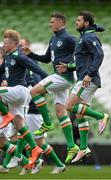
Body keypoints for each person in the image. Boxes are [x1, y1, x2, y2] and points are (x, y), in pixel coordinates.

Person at [22, 12, 79, 163]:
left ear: (61, 23)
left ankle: (47, 123)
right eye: (50, 21)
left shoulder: (68, 38)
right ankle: (72, 146)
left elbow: (81, 54)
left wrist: (70, 67)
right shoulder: (53, 39)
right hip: (59, 78)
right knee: (61, 112)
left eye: (53, 22)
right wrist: (31, 54)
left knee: (33, 91)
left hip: (63, 77)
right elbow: (47, 59)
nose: (50, 24)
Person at [56, 11, 109, 163]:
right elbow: (82, 60)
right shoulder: (85, 36)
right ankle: (84, 147)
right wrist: (69, 67)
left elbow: (99, 55)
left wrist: (90, 74)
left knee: (69, 106)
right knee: (80, 115)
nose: (76, 22)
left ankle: (101, 116)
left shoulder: (89, 37)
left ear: (86, 23)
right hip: (85, 77)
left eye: (78, 20)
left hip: (86, 79)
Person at [0, 29, 49, 167]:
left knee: (14, 121)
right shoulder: (9, 57)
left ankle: (5, 115)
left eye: (6, 43)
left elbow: (36, 68)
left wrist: (48, 81)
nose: (4, 45)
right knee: (20, 125)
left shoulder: (19, 56)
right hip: (15, 95)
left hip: (20, 91)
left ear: (13, 44)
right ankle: (35, 149)